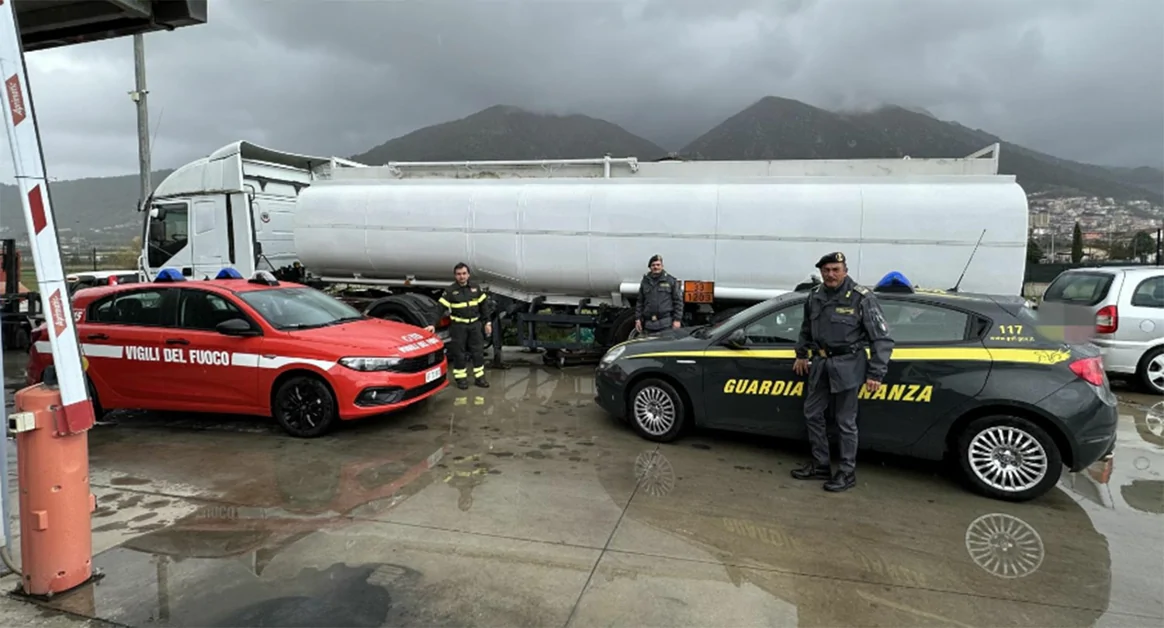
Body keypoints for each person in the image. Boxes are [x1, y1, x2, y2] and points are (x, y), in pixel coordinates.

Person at [791, 251, 894, 492]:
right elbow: (806, 328)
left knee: (845, 422)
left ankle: (846, 473)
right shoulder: (815, 296)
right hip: (820, 365)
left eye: (835, 269)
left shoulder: (861, 298)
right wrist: (801, 354)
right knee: (812, 414)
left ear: (845, 271)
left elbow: (881, 338)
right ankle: (821, 465)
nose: (830, 274)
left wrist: (876, 373)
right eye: (826, 270)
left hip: (849, 366)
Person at [425, 262, 493, 389]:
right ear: (455, 276)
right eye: (458, 274)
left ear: (468, 275)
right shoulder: (450, 291)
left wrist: (487, 322)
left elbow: (484, 307)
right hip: (458, 327)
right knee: (459, 353)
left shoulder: (476, 288)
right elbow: (439, 308)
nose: (461, 276)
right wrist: (431, 324)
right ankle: (461, 379)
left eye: (464, 274)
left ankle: (480, 378)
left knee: (478, 352)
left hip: (475, 325)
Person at [634, 254, 683, 334]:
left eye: (658, 265)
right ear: (650, 267)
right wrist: (638, 319)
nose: (656, 267)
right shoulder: (645, 282)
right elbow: (640, 302)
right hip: (649, 325)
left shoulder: (670, 281)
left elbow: (678, 301)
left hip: (665, 324)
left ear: (662, 266)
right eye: (653, 265)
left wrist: (677, 320)